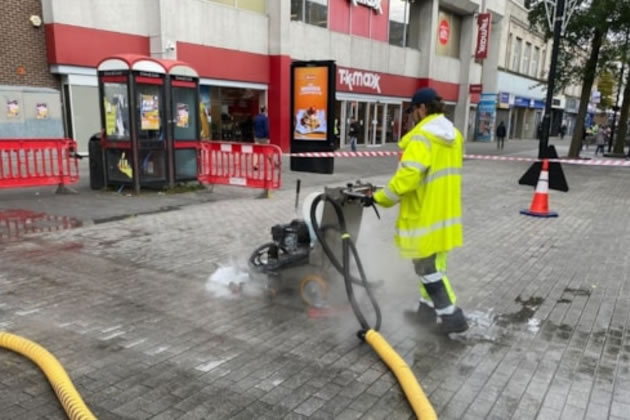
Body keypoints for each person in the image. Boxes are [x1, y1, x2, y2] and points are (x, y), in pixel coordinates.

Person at [370, 87, 468, 334]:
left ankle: (451, 316)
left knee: (426, 268)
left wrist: (379, 198)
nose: (411, 115)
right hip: (445, 214)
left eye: (412, 110)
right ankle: (425, 313)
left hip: (425, 215)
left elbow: (407, 178)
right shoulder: (454, 136)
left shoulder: (422, 138)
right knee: (435, 267)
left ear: (422, 108)